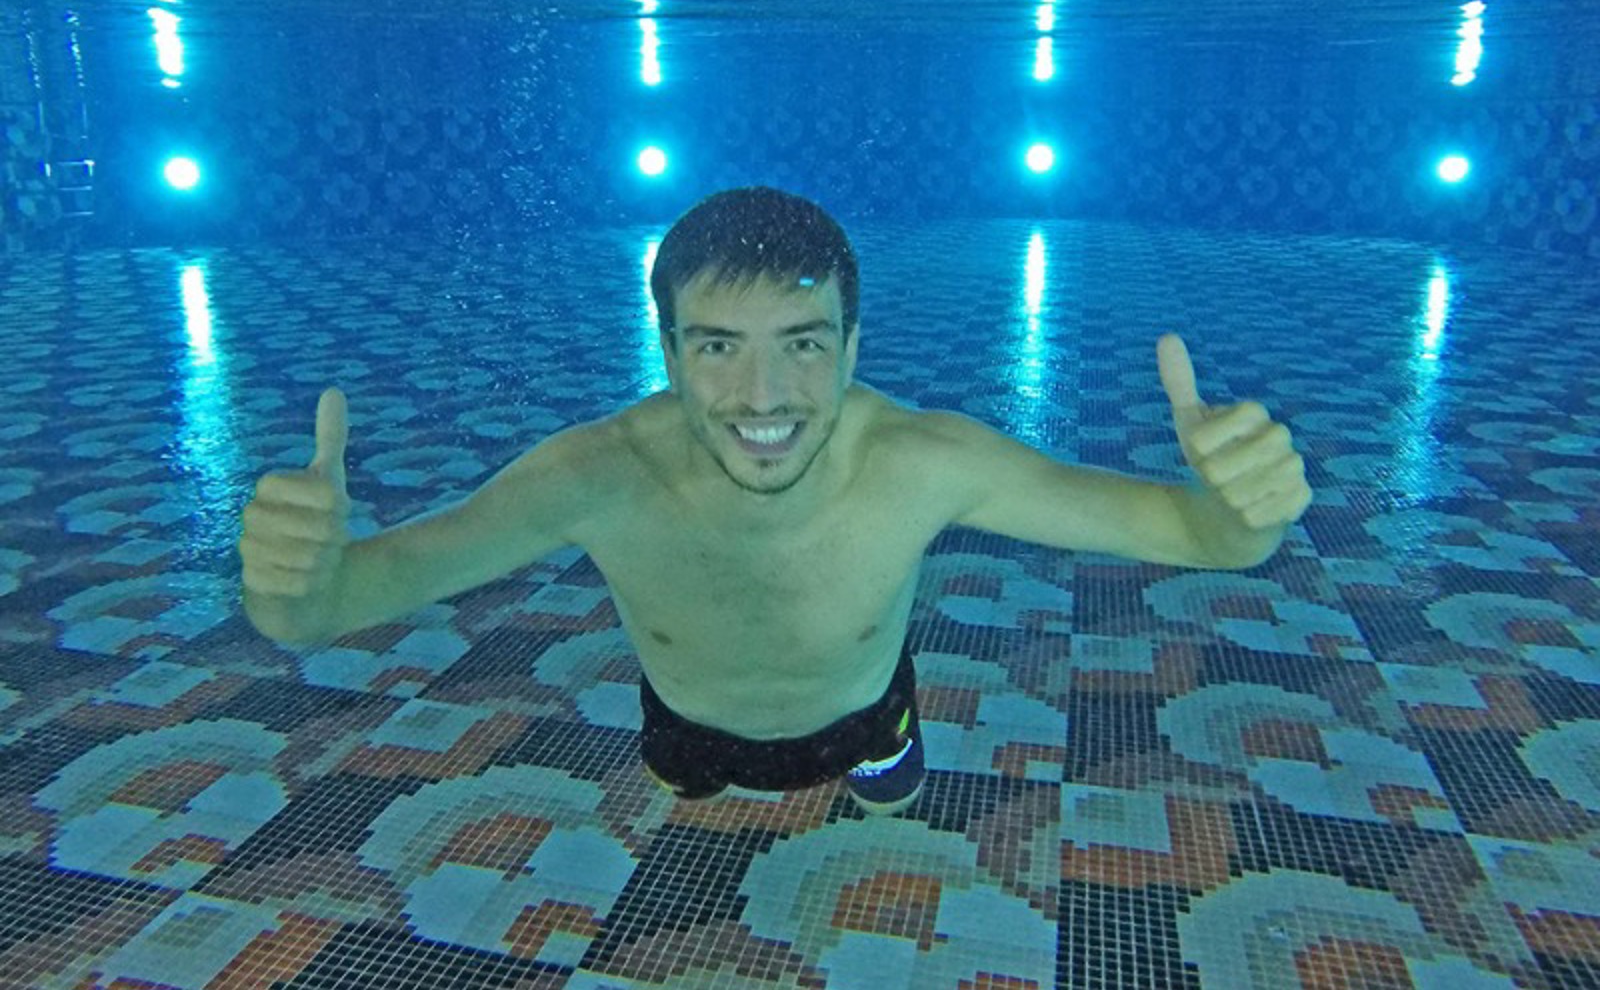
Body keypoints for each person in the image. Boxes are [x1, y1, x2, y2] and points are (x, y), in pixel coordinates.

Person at [238, 186, 1312, 816]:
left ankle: (890, 741)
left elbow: (1200, 537)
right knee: (684, 788)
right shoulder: (593, 474)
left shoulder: (923, 462)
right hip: (685, 722)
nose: (763, 398)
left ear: (852, 345)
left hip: (865, 712)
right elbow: (333, 607)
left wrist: (1240, 512)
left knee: (891, 789)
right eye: (718, 348)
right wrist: (299, 584)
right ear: (668, 353)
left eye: (802, 345)